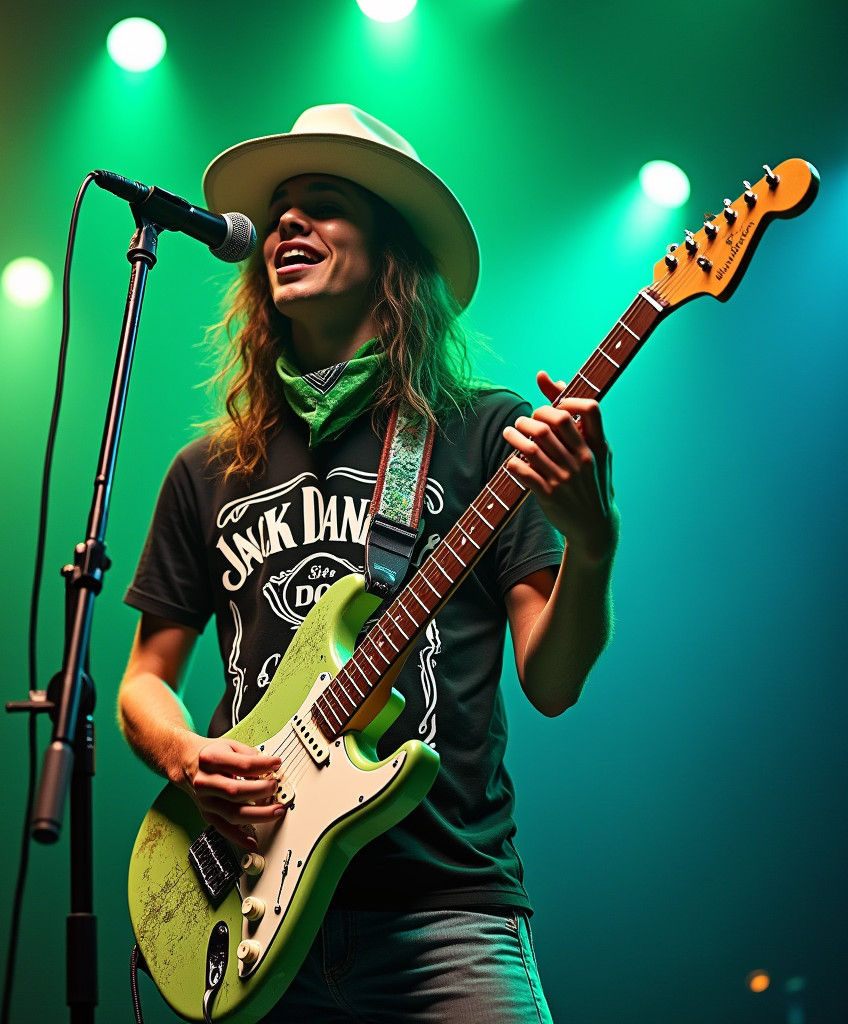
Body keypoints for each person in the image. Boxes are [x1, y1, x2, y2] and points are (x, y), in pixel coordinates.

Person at [118, 104, 618, 1023]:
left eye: (326, 204)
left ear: (392, 253)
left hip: (445, 914)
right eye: (280, 211)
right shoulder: (206, 469)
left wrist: (593, 545)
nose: (288, 225)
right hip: (247, 906)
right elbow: (145, 681)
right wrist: (188, 756)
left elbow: (551, 680)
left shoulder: (483, 434)